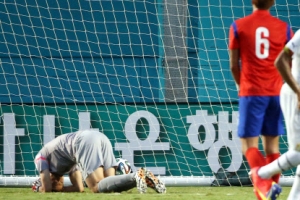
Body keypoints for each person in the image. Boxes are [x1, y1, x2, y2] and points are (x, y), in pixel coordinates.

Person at [228, 0, 293, 199]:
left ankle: (264, 189)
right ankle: (266, 193)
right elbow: (288, 64)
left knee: (249, 146)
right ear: (273, 2)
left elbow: (233, 65)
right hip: (276, 93)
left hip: (252, 92)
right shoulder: (284, 28)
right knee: (272, 148)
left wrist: (242, 86)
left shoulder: (238, 26)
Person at [31, 129, 166, 194]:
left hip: (83, 141)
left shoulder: (40, 157)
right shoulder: (64, 162)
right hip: (98, 137)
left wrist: (45, 188)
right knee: (111, 188)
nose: (56, 182)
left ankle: (132, 172)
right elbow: (79, 188)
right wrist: (60, 189)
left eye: (51, 181)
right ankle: (138, 176)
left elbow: (46, 189)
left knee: (96, 187)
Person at [251, 29, 300, 200]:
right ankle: (261, 173)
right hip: (294, 95)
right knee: (298, 153)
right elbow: (280, 61)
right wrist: (298, 90)